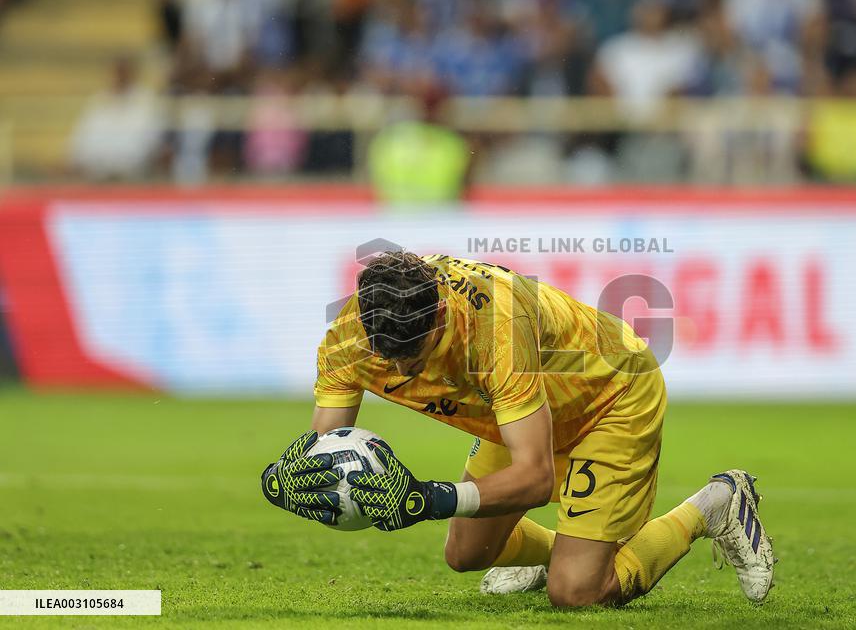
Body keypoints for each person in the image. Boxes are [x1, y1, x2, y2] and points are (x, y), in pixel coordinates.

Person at [260, 251, 774, 607]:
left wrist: (426, 499)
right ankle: (568, 551)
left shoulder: (494, 330)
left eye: (418, 354)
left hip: (610, 396)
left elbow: (533, 478)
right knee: (467, 555)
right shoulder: (348, 343)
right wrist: (285, 481)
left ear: (440, 310)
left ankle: (715, 504)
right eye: (388, 357)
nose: (406, 373)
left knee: (576, 593)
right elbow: (322, 453)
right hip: (519, 414)